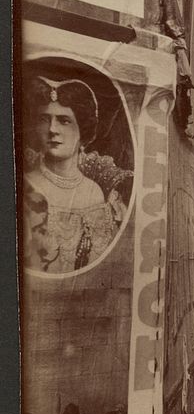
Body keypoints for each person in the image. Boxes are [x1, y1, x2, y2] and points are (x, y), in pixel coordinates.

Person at [22, 76, 126, 273]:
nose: (52, 130)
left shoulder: (95, 191)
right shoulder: (26, 185)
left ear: (83, 130)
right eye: (44, 119)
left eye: (64, 121)